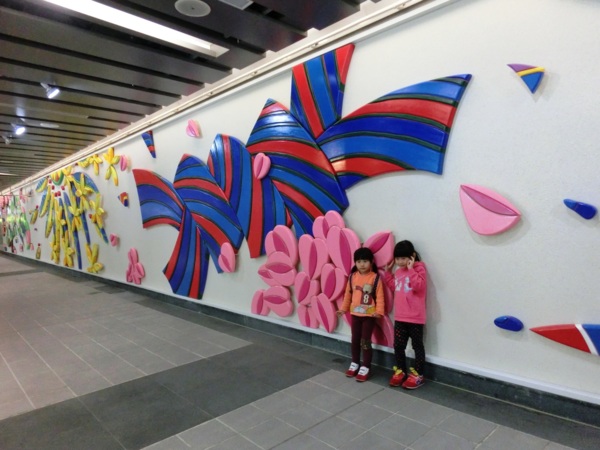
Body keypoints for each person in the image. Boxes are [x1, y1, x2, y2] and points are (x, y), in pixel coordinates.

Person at [383, 240, 427, 389]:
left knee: (417, 346)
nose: (400, 261)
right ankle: (401, 371)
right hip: (400, 317)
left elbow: (419, 286)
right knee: (398, 345)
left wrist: (411, 269)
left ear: (412, 256)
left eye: (403, 258)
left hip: (415, 317)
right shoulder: (398, 272)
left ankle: (419, 374)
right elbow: (394, 287)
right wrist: (388, 273)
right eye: (397, 258)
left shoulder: (420, 268)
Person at [337, 247, 385, 382]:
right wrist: (343, 309)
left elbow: (380, 296)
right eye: (358, 261)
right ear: (355, 263)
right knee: (355, 340)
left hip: (369, 316)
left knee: (365, 341)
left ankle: (366, 366)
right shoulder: (352, 277)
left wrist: (379, 311)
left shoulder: (375, 278)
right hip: (355, 315)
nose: (362, 264)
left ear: (371, 262)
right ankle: (355, 362)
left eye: (365, 261)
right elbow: (347, 295)